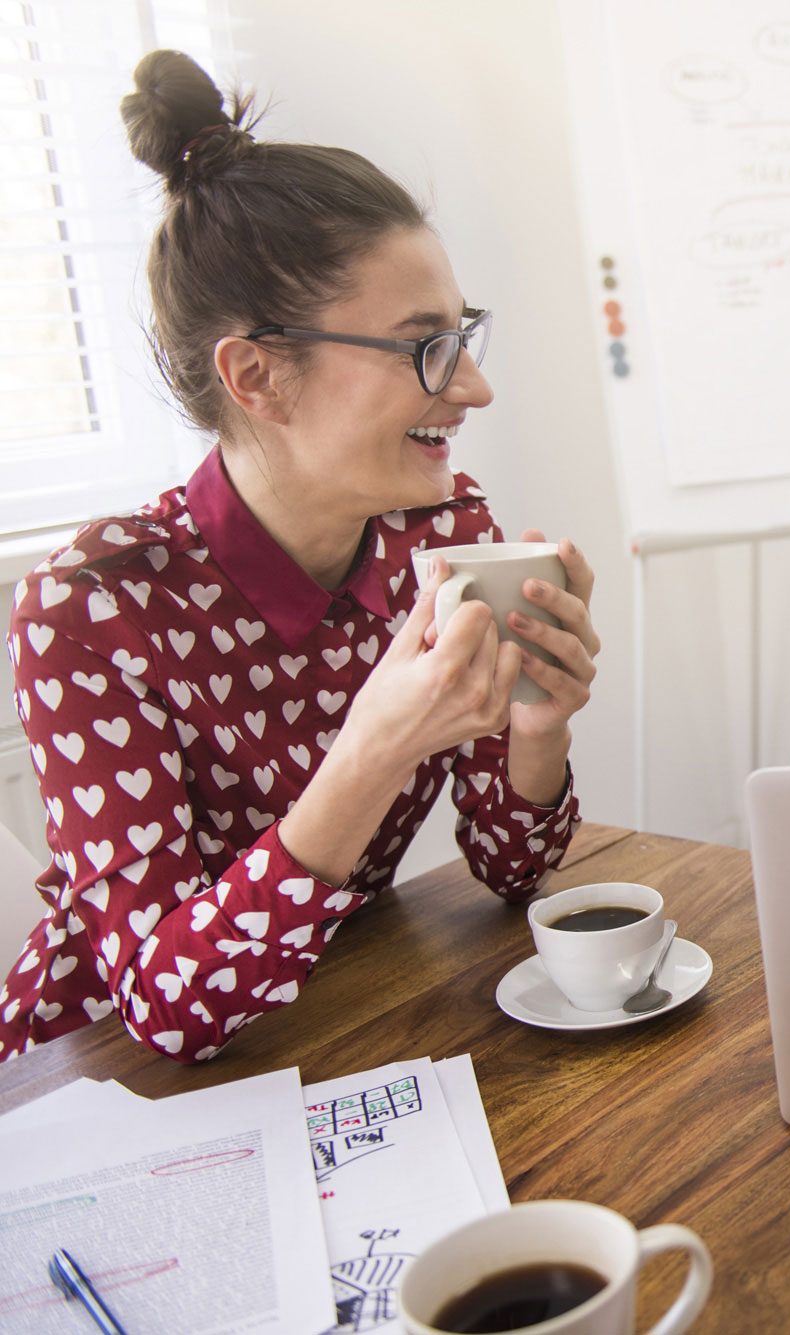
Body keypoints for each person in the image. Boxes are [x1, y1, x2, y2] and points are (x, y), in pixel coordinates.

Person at [0, 51, 601, 1063]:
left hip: (328, 1023)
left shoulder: (440, 535)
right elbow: (164, 1011)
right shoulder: (88, 614)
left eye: (465, 338)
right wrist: (373, 749)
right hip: (92, 1083)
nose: (473, 392)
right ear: (257, 376)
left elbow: (512, 868)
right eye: (425, 348)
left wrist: (537, 727)